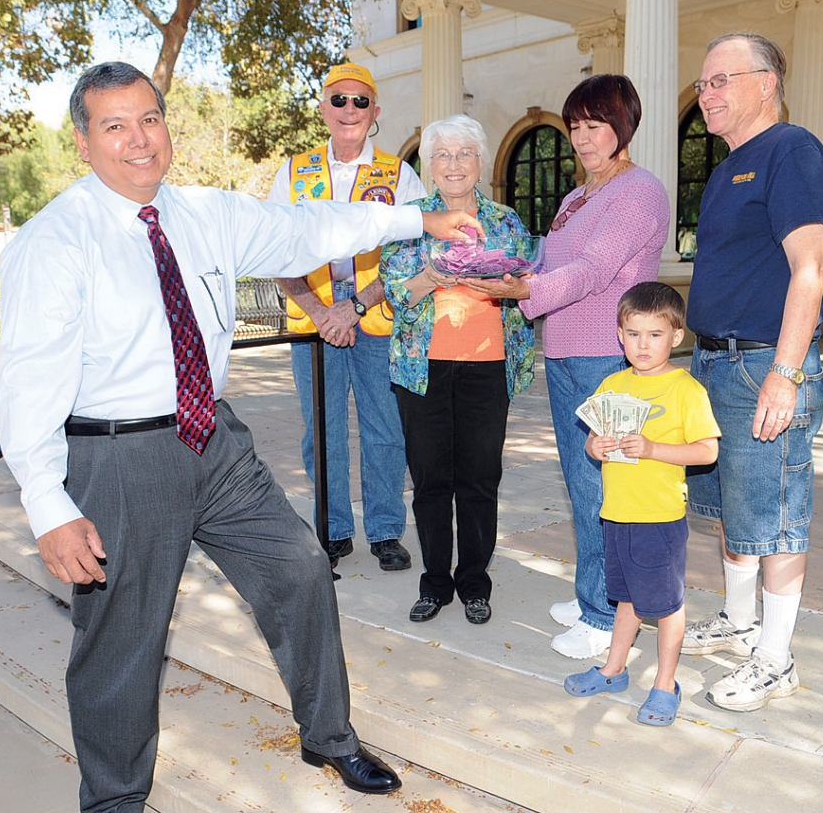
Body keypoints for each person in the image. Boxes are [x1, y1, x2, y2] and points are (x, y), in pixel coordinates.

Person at [0, 62, 479, 813]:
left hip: (215, 442)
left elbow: (311, 230)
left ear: (167, 127)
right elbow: (26, 383)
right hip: (118, 459)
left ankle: (327, 736)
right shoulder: (53, 241)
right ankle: (115, 808)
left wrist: (421, 221)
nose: (138, 140)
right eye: (114, 125)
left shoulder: (207, 213)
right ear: (84, 142)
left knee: (299, 567)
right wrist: (48, 502)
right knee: (122, 639)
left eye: (149, 119)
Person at [465, 74, 670, 658]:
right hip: (565, 353)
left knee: (607, 489)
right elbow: (548, 257)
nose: (582, 138)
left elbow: (593, 271)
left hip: (608, 356)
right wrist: (497, 261)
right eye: (575, 126)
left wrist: (516, 291)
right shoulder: (577, 197)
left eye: (595, 125)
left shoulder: (639, 192)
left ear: (623, 126)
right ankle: (593, 595)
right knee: (584, 486)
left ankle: (608, 620)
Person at [682, 33, 823, 712]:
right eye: (702, 84)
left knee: (774, 518)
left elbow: (810, 268)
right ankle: (741, 622)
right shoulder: (727, 168)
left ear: (768, 81)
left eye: (720, 81)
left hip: (761, 366)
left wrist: (786, 372)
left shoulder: (793, 151)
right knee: (733, 512)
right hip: (716, 361)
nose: (705, 94)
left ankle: (775, 658)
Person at [268, 63, 427, 573]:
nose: (350, 110)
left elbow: (413, 255)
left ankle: (384, 530)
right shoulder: (292, 173)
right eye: (339, 100)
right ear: (323, 109)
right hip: (312, 328)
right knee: (323, 431)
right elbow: (273, 251)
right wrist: (321, 312)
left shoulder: (399, 175)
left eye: (361, 102)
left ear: (375, 112)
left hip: (376, 322)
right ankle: (333, 529)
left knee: (385, 429)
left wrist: (353, 308)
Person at [380, 115, 535, 626]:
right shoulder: (410, 219)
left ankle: (474, 581)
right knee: (430, 481)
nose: (453, 164)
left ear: (481, 161)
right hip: (421, 368)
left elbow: (524, 282)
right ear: (427, 164)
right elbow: (398, 295)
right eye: (442, 155)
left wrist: (499, 278)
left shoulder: (506, 221)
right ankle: (434, 582)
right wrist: (433, 273)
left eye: (464, 153)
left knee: (479, 478)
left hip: (489, 367)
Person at [563, 282, 720, 726]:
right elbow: (593, 443)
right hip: (617, 513)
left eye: (655, 334)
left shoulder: (685, 390)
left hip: (659, 518)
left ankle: (666, 683)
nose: (643, 344)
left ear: (677, 336)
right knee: (627, 598)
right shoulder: (612, 383)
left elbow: (707, 451)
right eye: (633, 334)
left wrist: (652, 449)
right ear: (619, 334)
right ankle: (614, 670)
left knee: (666, 603)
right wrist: (596, 446)